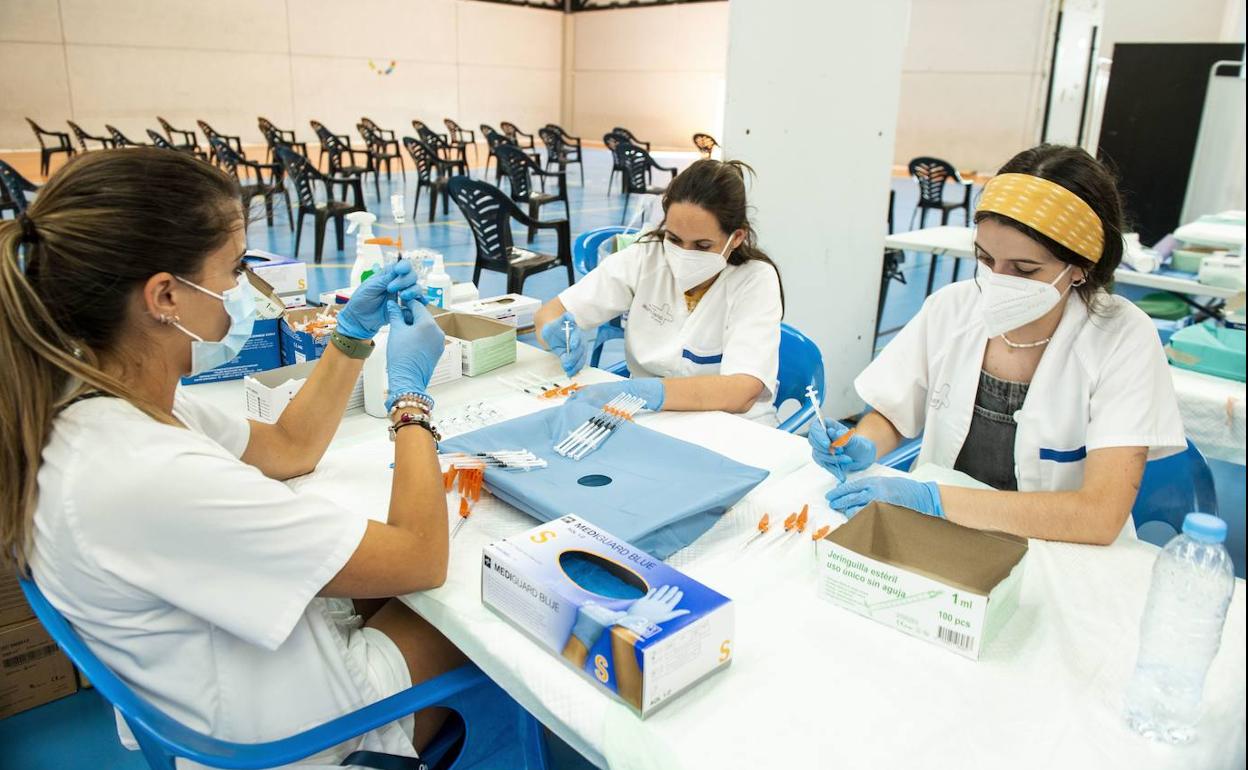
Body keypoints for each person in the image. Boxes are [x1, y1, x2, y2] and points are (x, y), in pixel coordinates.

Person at [0, 149, 460, 765]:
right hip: (290, 737)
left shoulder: (109, 398)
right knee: (472, 620)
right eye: (236, 268)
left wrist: (350, 336)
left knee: (382, 587)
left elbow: (289, 449)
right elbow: (422, 557)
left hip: (224, 679)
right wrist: (410, 400)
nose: (245, 288)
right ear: (165, 295)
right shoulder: (142, 470)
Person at [812, 145, 1185, 545]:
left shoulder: (1123, 338)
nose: (997, 280)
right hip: (939, 540)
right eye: (985, 259)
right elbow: (893, 411)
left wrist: (933, 500)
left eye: (1024, 269)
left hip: (1061, 551)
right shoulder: (952, 309)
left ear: (1081, 266)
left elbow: (1098, 515)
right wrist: (864, 442)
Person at [532, 159, 785, 424]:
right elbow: (551, 313)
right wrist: (557, 335)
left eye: (702, 245)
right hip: (650, 419)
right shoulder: (646, 257)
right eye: (674, 239)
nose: (684, 254)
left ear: (736, 238)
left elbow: (741, 391)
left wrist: (643, 391)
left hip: (733, 428)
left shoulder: (755, 280)